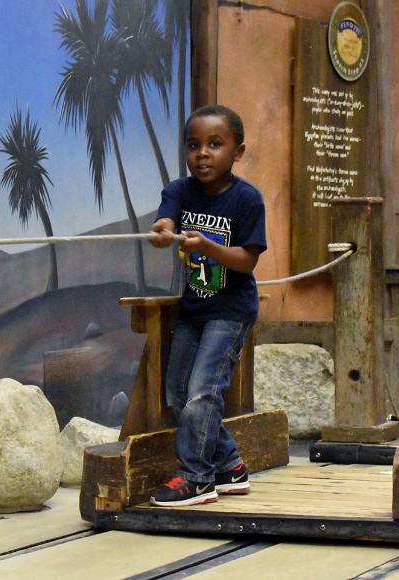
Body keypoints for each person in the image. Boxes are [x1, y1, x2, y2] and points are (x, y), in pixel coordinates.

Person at [148, 104, 267, 507]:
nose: (202, 153)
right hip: (194, 309)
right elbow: (166, 220)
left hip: (231, 311)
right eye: (194, 145)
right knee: (178, 395)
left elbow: (247, 260)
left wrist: (210, 246)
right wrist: (164, 232)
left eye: (215, 145)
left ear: (238, 151)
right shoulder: (180, 191)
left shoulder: (248, 200)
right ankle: (230, 464)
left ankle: (197, 478)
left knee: (203, 392)